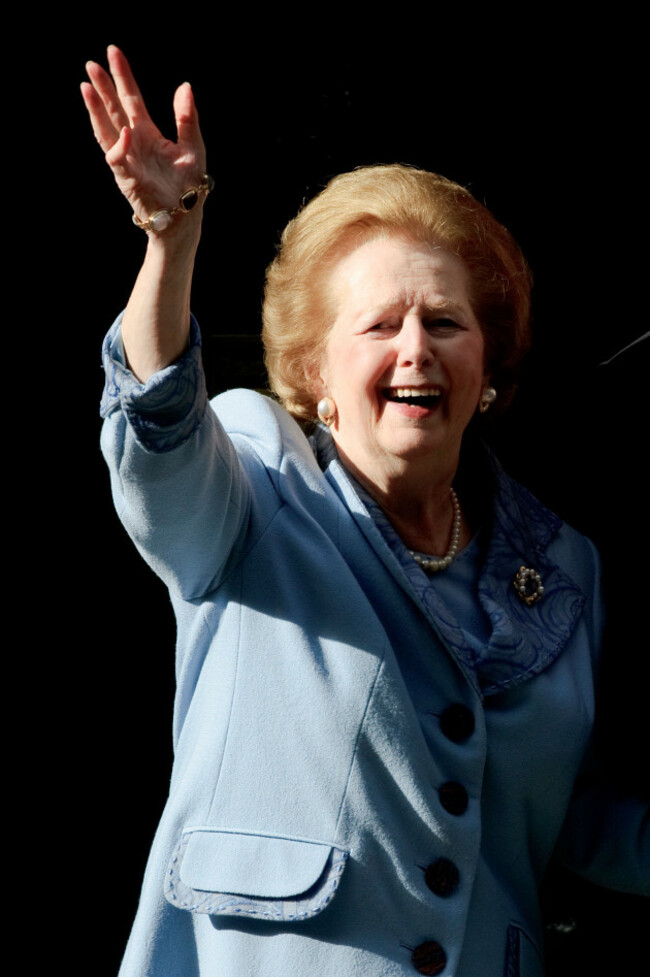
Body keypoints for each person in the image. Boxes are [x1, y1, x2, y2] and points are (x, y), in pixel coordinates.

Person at [82, 47, 648, 977]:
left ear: (489, 371)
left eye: (447, 323)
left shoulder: (564, 567)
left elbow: (574, 815)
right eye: (381, 325)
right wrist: (169, 242)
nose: (416, 349)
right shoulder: (260, 483)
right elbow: (158, 446)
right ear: (316, 372)